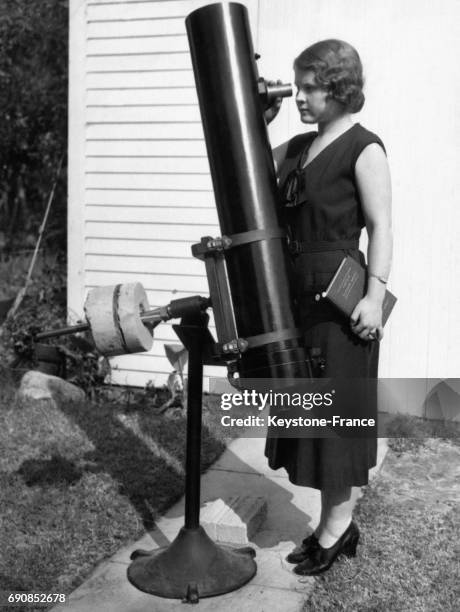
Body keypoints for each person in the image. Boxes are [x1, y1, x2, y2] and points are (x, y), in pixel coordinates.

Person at [264, 39, 393, 575]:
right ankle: (330, 526)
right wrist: (258, 117)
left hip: (341, 303)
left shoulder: (364, 148)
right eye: (297, 87)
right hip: (295, 300)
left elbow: (382, 226)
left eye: (310, 88)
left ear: (339, 89)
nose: (299, 97)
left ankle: (337, 529)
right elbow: (248, 171)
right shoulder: (295, 147)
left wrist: (374, 292)